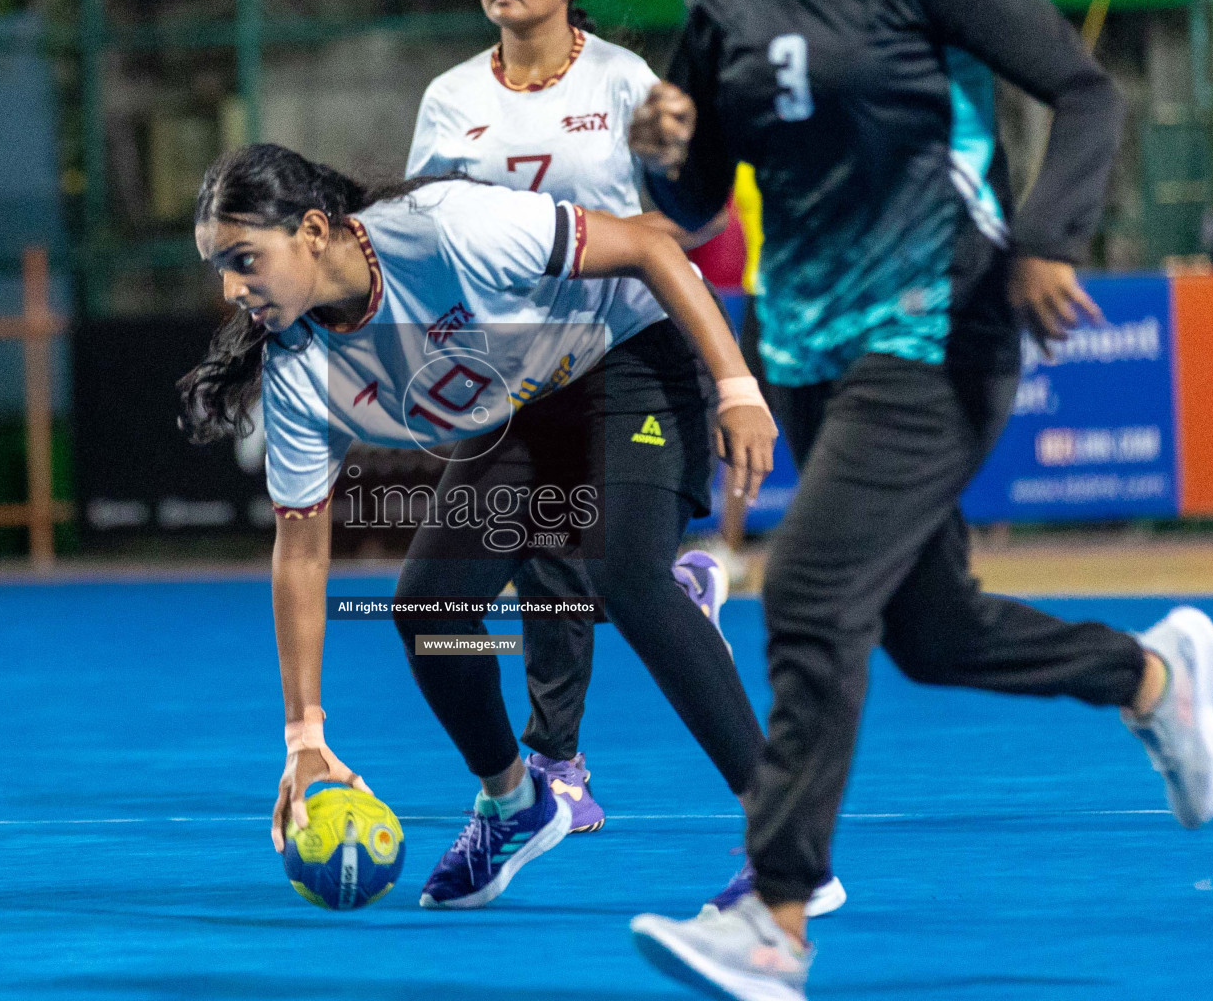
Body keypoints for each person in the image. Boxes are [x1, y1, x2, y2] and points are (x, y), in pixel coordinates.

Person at [623, 0, 1213, 998]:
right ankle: (1148, 676)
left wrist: (1046, 238)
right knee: (931, 630)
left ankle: (774, 920)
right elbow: (700, 198)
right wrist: (666, 154)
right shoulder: (722, 2)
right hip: (810, 351)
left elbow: (1087, 95)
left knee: (812, 595)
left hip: (939, 327)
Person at [180, 143, 781, 910]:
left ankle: (783, 835)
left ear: (313, 231)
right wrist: (306, 739)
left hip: (628, 351)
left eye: (244, 258)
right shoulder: (296, 368)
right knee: (429, 608)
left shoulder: (443, 229)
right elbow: (300, 553)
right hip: (525, 406)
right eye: (218, 268)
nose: (231, 289)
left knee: (623, 574)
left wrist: (737, 387)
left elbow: (650, 245)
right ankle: (515, 801)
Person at [404, 0, 737, 836]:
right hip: (514, 370)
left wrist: (734, 380)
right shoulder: (449, 100)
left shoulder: (627, 83)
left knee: (606, 567)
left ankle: (591, 734)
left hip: (631, 354)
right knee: (484, 581)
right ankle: (537, 775)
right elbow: (425, 239)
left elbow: (688, 221)